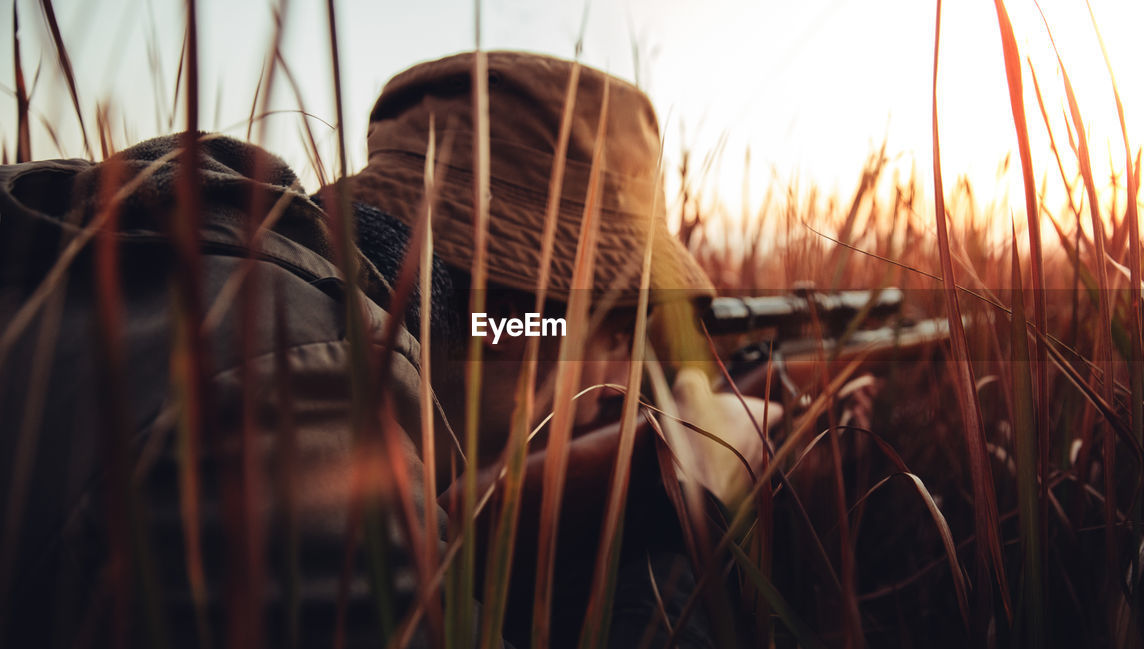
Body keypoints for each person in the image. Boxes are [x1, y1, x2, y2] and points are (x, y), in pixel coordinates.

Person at [0, 50, 764, 648]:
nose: (627, 373)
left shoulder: (194, 260)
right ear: (516, 318)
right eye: (628, 337)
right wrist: (689, 496)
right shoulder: (298, 396)